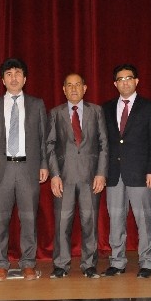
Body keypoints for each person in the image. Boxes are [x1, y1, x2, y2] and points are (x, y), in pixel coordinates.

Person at [0, 58, 48, 282]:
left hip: (29, 168)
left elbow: (44, 139)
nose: (14, 78)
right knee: (0, 219)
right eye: (9, 74)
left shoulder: (37, 104)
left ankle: (28, 263)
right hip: (2, 169)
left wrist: (44, 164)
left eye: (18, 73)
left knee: (29, 219)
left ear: (25, 79)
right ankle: (0, 264)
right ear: (2, 80)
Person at [101, 64, 151, 279]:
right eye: (120, 79)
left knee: (144, 220)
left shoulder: (149, 107)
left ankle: (147, 262)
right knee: (115, 219)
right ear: (115, 83)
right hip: (114, 173)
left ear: (137, 81)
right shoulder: (106, 108)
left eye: (129, 78)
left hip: (141, 173)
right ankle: (117, 261)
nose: (125, 82)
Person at [47, 73, 108, 279]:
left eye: (78, 85)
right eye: (69, 85)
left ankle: (89, 264)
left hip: (91, 176)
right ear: (64, 89)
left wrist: (101, 173)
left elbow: (104, 144)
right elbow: (50, 145)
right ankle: (61, 265)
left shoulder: (96, 111)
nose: (74, 89)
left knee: (90, 222)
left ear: (85, 88)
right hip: (64, 177)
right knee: (62, 223)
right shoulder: (55, 113)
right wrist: (54, 175)